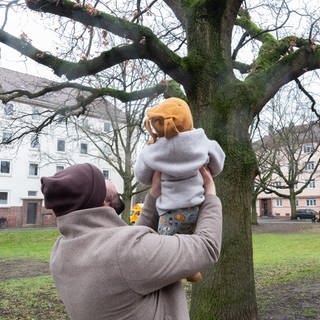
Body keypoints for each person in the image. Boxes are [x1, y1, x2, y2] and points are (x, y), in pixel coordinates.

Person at [41, 163, 222, 320]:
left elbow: (127, 255)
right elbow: (206, 246)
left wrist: (152, 196)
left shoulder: (60, 251)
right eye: (102, 180)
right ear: (100, 199)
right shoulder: (125, 252)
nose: (108, 182)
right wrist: (210, 196)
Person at [134, 97, 225, 281]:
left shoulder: (152, 150)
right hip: (196, 206)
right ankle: (192, 269)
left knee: (167, 247)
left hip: (168, 213)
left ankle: (178, 274)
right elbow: (219, 161)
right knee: (195, 239)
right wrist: (210, 172)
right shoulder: (201, 141)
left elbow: (142, 176)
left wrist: (155, 175)